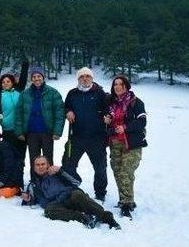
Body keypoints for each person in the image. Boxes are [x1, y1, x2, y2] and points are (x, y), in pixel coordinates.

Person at [21, 156, 120, 229]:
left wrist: (61, 172)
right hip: (60, 204)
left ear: (48, 165)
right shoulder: (34, 185)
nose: (40, 167)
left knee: (77, 194)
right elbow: (40, 201)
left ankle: (107, 218)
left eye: (43, 164)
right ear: (34, 167)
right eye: (37, 165)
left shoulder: (56, 173)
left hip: (72, 197)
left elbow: (76, 182)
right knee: (48, 210)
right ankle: (84, 218)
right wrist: (29, 199)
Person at [61, 67, 109, 201]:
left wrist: (107, 116)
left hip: (96, 138)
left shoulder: (100, 93)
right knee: (68, 164)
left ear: (92, 78)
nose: (85, 79)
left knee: (100, 168)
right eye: (82, 77)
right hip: (76, 137)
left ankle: (100, 193)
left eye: (88, 76)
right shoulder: (72, 93)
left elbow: (108, 109)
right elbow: (66, 106)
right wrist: (68, 111)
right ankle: (71, 187)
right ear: (78, 79)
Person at [104, 74, 148, 218]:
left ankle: (127, 204)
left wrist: (125, 127)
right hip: (115, 143)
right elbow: (108, 120)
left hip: (131, 143)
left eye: (120, 84)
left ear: (126, 86)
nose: (117, 87)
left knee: (126, 172)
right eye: (115, 84)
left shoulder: (136, 102)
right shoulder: (111, 103)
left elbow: (142, 122)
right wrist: (107, 120)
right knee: (117, 171)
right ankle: (125, 198)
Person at [17, 66, 64, 181]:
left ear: (43, 77)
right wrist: (19, 131)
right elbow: (19, 113)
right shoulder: (25, 94)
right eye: (34, 76)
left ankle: (50, 182)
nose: (36, 79)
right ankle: (35, 183)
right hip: (31, 132)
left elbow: (59, 113)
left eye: (39, 76)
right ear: (31, 79)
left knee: (48, 159)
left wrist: (57, 131)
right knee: (34, 160)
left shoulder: (53, 93)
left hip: (47, 132)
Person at [0, 73, 26, 172]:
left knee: (20, 156)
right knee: (9, 156)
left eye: (8, 81)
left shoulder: (19, 92)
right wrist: (0, 119)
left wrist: (25, 63)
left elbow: (23, 79)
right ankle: (8, 179)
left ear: (12, 82)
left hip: (20, 130)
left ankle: (19, 179)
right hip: (7, 130)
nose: (5, 84)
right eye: (3, 82)